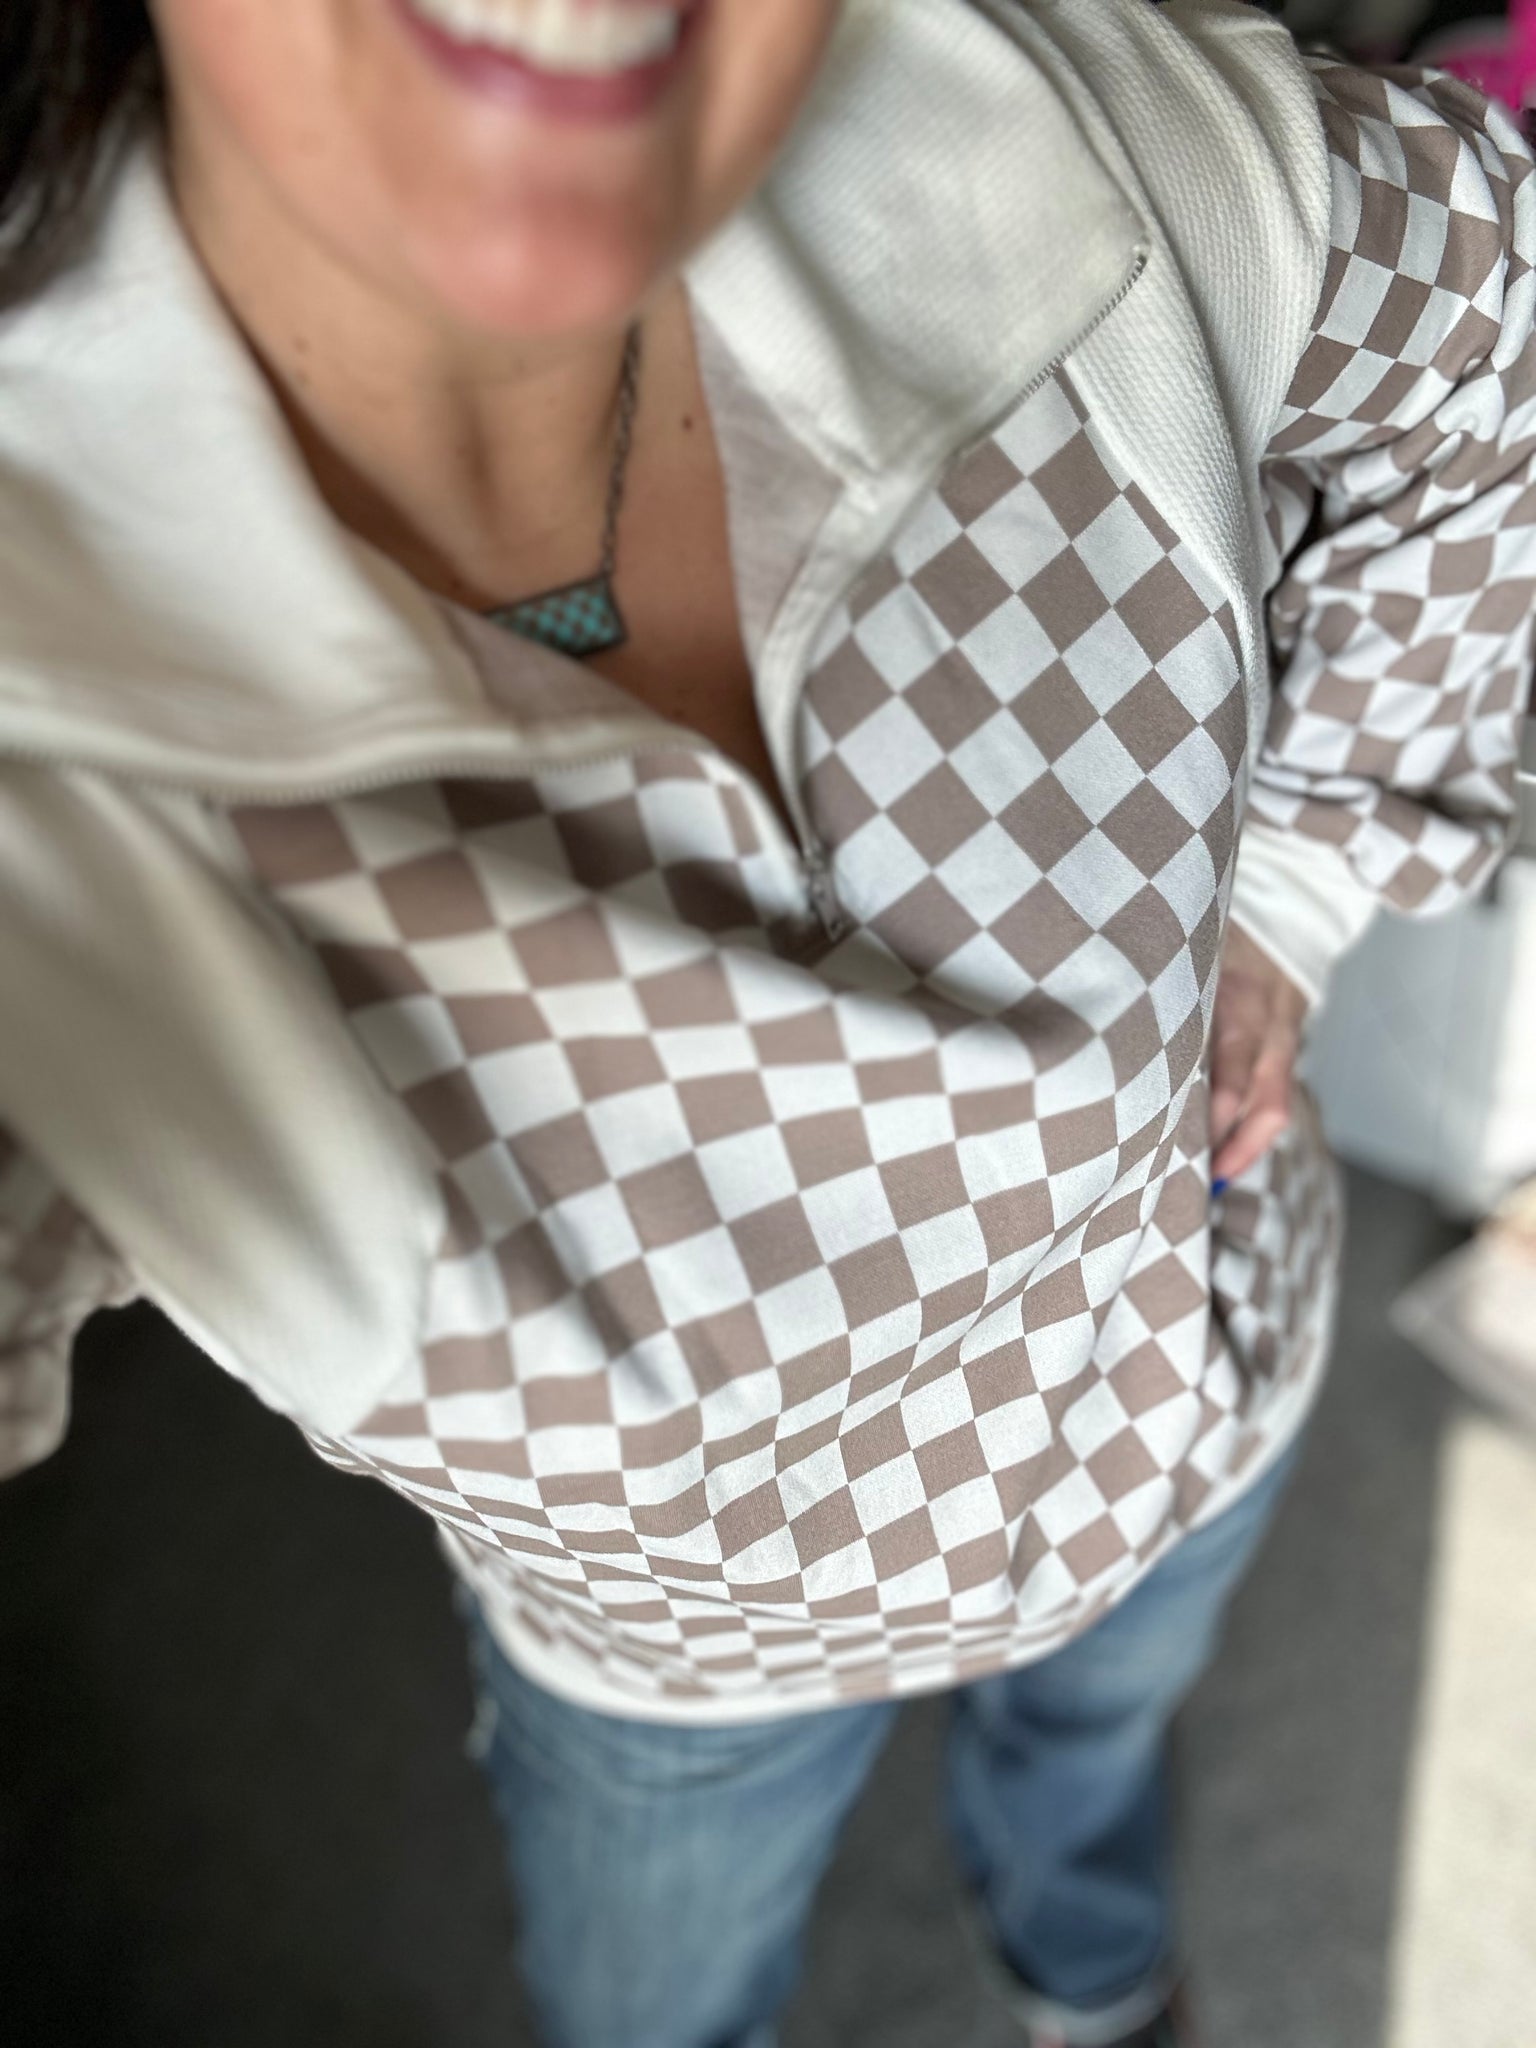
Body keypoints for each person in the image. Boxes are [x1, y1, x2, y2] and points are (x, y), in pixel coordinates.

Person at [0, 1, 1530, 2043]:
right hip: (684, 1686)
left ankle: (1079, 1966)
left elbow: (1483, 304)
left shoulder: (1056, 129)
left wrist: (1296, 890)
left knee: (1092, 1772)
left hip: (1200, 1385)